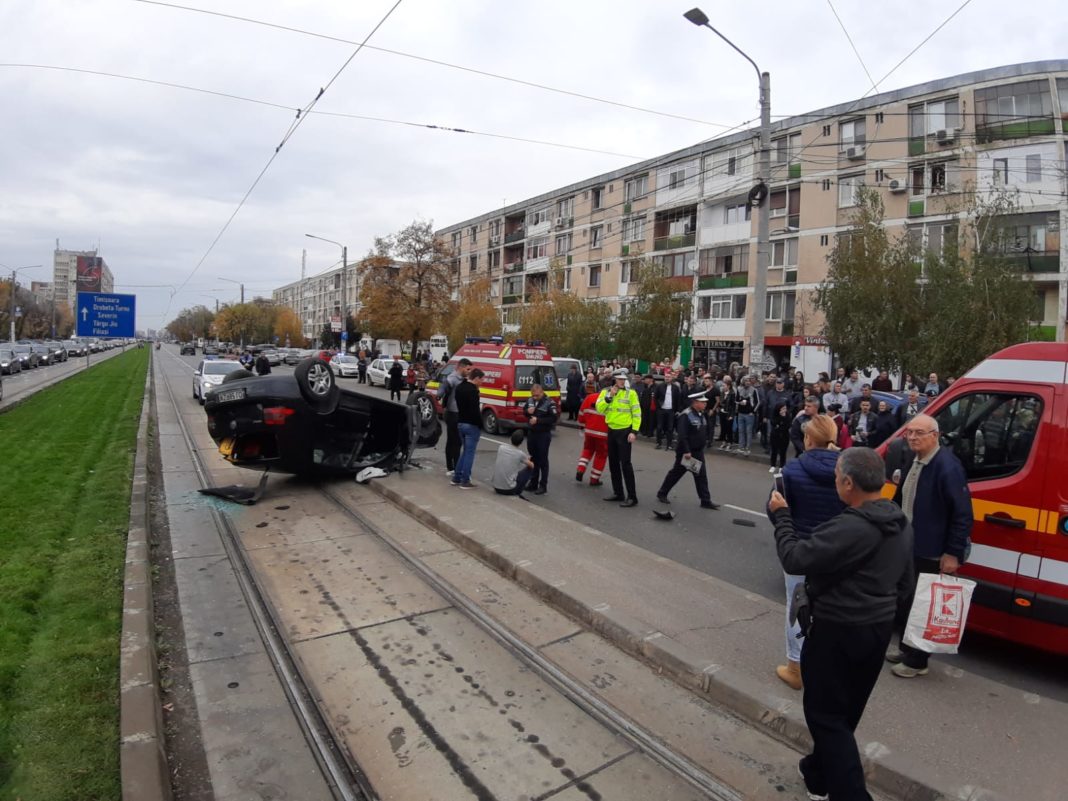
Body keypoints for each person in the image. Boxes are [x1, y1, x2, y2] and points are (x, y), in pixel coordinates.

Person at [769, 447, 914, 801]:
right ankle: (818, 776)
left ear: (848, 483)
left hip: (837, 631)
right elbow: (906, 585)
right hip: (876, 631)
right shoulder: (900, 522)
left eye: (836, 476)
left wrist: (782, 517)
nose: (835, 481)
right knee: (844, 711)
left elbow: (794, 558)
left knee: (824, 716)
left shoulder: (850, 527)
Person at [888, 414, 973, 678]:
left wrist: (953, 553)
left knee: (922, 604)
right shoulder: (915, 459)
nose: (912, 437)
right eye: (910, 432)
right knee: (907, 601)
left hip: (932, 549)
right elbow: (901, 497)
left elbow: (962, 515)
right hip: (910, 543)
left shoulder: (947, 466)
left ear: (934, 436)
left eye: (919, 433)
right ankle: (906, 647)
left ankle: (917, 661)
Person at [769, 414, 845, 690]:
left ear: (808, 439)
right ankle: (827, 666)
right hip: (836, 551)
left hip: (800, 548)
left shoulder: (792, 470)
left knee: (797, 606)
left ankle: (796, 669)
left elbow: (775, 510)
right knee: (831, 609)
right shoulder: (846, 470)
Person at [656, 391, 720, 509]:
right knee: (676, 473)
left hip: (697, 451)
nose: (705, 404)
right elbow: (682, 435)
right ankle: (662, 493)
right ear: (695, 403)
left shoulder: (701, 414)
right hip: (687, 452)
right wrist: (686, 451)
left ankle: (705, 500)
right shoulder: (686, 415)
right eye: (703, 402)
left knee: (701, 476)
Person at [596, 368, 641, 507]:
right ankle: (618, 493)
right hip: (612, 430)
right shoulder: (605, 392)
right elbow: (599, 408)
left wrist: (634, 431)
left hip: (625, 431)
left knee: (626, 464)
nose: (622, 381)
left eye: (624, 379)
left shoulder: (631, 393)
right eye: (620, 379)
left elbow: (637, 413)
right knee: (613, 463)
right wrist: (609, 396)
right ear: (614, 380)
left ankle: (632, 497)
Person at [437, 358, 472, 476]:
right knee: (456, 442)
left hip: (458, 413)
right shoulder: (453, 378)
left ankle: (451, 467)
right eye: (467, 369)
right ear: (461, 367)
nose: (468, 371)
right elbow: (443, 387)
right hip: (453, 413)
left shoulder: (463, 379)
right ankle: (455, 468)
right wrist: (438, 395)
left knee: (453, 441)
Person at [451, 368, 485, 489]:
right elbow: (475, 411)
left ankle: (456, 477)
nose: (482, 382)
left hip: (460, 422)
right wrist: (480, 425)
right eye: (481, 379)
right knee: (469, 453)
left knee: (465, 452)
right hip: (471, 425)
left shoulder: (460, 387)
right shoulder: (473, 391)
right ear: (476, 378)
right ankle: (465, 480)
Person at [523, 383, 557, 495]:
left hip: (543, 434)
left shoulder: (549, 403)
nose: (535, 397)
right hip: (532, 433)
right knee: (533, 459)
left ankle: (543, 485)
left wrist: (538, 420)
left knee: (543, 460)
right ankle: (533, 483)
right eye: (533, 395)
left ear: (542, 392)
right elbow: (524, 411)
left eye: (537, 395)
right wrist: (527, 412)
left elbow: (553, 418)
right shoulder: (530, 400)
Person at [575, 379, 608, 486]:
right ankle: (594, 479)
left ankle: (580, 469)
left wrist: (581, 425)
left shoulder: (590, 397)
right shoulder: (611, 400)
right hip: (603, 434)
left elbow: (581, 412)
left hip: (589, 431)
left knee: (587, 450)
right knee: (601, 455)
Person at [493, 430, 534, 497]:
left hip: (496, 487)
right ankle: (518, 491)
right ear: (521, 442)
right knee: (530, 468)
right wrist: (528, 459)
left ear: (511, 438)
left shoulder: (501, 447)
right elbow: (532, 465)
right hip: (509, 489)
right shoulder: (520, 453)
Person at [654, 370, 682, 450]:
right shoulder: (659, 386)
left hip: (671, 411)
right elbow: (655, 398)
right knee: (659, 427)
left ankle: (669, 444)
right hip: (661, 410)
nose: (667, 378)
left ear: (672, 378)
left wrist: (678, 410)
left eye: (669, 377)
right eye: (666, 377)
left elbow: (678, 400)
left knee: (670, 428)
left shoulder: (675, 388)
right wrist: (658, 407)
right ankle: (658, 443)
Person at [734, 376, 760, 456]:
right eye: (746, 381)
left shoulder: (754, 390)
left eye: (749, 381)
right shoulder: (739, 389)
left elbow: (758, 402)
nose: (747, 382)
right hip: (741, 413)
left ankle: (748, 448)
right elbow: (736, 400)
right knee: (741, 431)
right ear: (743, 382)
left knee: (748, 432)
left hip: (749, 414)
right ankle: (741, 447)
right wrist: (740, 402)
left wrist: (753, 411)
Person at [768, 402, 792, 473]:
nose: (784, 410)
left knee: (783, 452)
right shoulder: (774, 414)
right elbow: (773, 423)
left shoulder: (787, 415)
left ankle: (782, 466)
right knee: (774, 451)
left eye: (785, 408)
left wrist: (783, 419)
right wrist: (780, 423)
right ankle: (773, 465)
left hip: (784, 436)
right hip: (775, 435)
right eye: (783, 408)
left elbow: (788, 425)